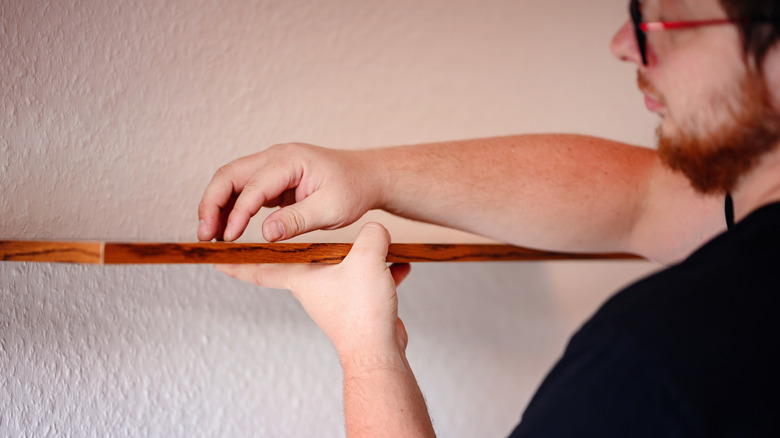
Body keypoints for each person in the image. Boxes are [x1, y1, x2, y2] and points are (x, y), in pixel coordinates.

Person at [198, 0, 780, 435]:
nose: (624, 42)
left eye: (658, 19)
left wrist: (368, 352)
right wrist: (370, 176)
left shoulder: (652, 363)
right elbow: (645, 196)